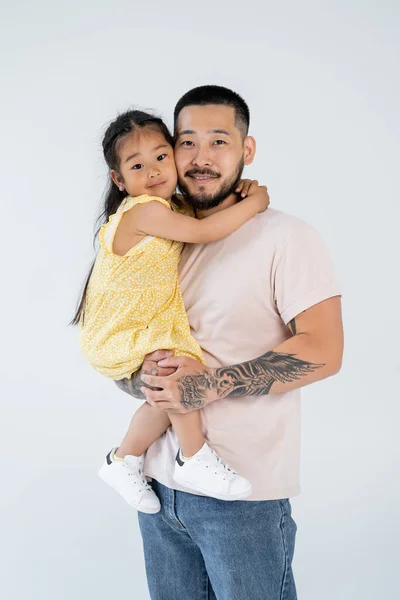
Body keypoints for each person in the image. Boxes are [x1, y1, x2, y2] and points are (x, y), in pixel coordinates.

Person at [115, 85, 344, 600]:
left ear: (247, 150)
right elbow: (126, 338)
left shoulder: (286, 237)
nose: (200, 158)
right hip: (157, 491)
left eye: (219, 141)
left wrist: (208, 387)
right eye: (187, 142)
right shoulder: (159, 239)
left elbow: (325, 349)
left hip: (241, 498)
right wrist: (140, 378)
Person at [72, 109, 270, 514]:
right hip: (120, 333)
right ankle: (193, 457)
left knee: (163, 395)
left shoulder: (173, 207)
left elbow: (208, 212)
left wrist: (237, 194)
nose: (154, 171)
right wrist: (257, 202)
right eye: (137, 165)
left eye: (162, 157)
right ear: (119, 179)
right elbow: (205, 231)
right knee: (175, 375)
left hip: (140, 329)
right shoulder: (143, 211)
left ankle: (123, 459)